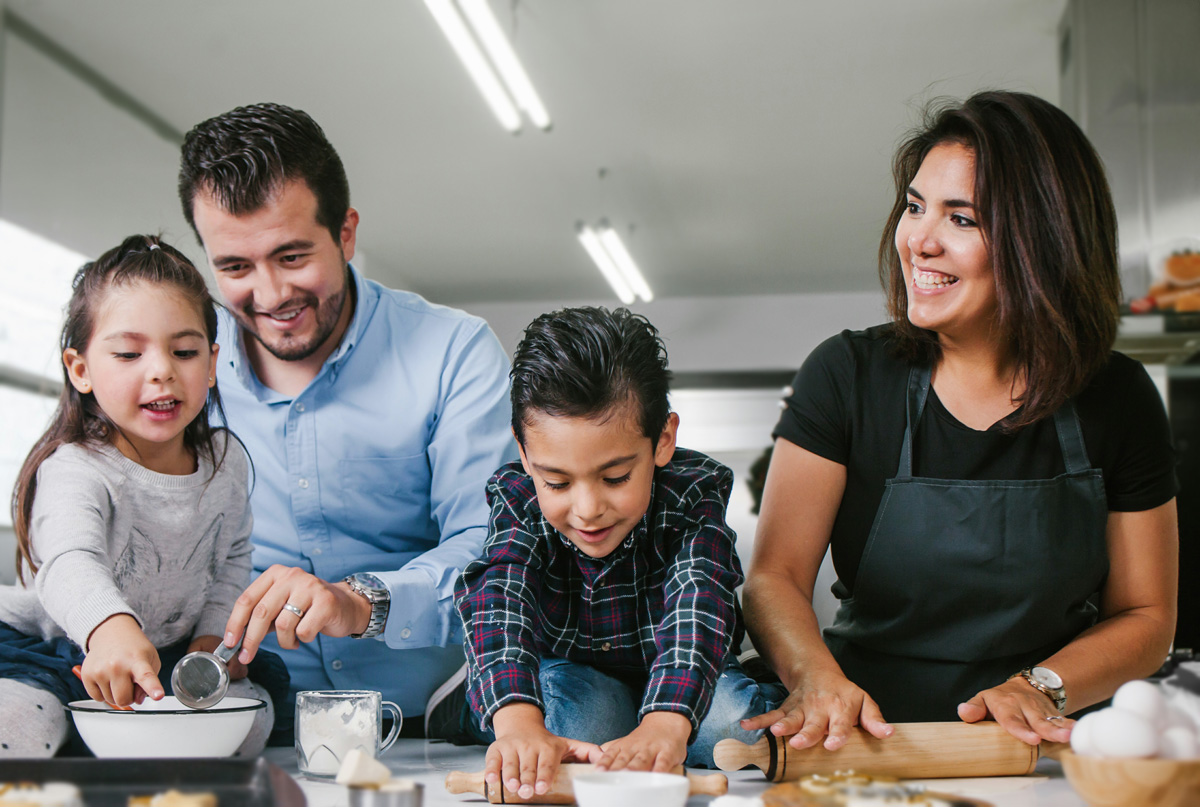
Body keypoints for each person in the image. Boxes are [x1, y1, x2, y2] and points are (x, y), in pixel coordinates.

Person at [741, 90, 1178, 750]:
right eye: (915, 207)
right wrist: (814, 677)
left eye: (962, 219)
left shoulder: (1117, 397)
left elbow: (1147, 615)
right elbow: (774, 577)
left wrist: (1041, 684)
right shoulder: (847, 375)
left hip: (1040, 757)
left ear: (1044, 239)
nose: (919, 239)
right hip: (870, 744)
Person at [177, 103, 516, 726]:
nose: (271, 295)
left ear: (347, 232)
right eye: (234, 267)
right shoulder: (183, 366)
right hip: (248, 725)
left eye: (292, 256)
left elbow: (492, 550)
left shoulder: (453, 352)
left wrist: (360, 602)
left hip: (432, 730)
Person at [446, 306, 784, 798]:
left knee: (734, 728)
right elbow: (499, 596)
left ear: (662, 440)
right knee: (570, 724)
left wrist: (666, 723)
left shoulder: (694, 493)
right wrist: (519, 725)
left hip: (681, 669)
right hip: (575, 674)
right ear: (523, 452)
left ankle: (653, 718)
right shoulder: (517, 498)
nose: (587, 510)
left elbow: (699, 599)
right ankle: (480, 707)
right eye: (557, 482)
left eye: (615, 478)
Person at [0, 235, 280, 757]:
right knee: (16, 728)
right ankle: (80, 734)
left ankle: (105, 742)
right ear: (80, 369)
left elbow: (232, 559)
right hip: (57, 654)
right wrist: (107, 628)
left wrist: (210, 642)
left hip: (166, 660)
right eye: (129, 352)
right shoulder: (76, 468)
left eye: (185, 351)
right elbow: (68, 560)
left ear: (213, 361)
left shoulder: (226, 462)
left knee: (253, 722)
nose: (161, 370)